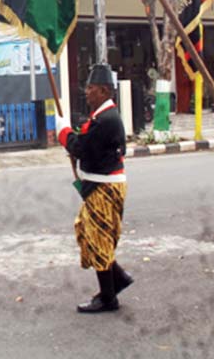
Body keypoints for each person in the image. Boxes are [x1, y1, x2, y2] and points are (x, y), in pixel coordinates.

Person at [55, 63, 132, 314]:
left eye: (91, 88)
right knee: (86, 231)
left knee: (99, 239)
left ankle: (108, 297)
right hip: (97, 184)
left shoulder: (106, 119)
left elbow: (81, 148)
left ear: (104, 91)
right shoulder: (101, 117)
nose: (86, 92)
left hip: (104, 186)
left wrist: (64, 133)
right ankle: (117, 277)